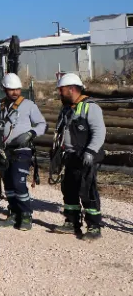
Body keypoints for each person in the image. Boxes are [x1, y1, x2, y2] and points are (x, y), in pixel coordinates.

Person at [50, 73, 106, 240]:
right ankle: (72, 222)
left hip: (85, 157)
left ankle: (94, 226)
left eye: (61, 90)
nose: (59, 93)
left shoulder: (91, 107)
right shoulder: (67, 108)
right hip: (70, 156)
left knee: (87, 191)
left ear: (71, 89)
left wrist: (91, 151)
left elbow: (99, 132)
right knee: (69, 189)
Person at [0, 73, 46, 231]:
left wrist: (31, 133)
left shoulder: (28, 105)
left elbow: (42, 124)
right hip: (4, 151)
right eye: (11, 89)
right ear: (4, 89)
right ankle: (13, 213)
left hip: (22, 149)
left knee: (18, 181)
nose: (15, 92)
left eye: (17, 89)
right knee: (8, 183)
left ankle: (26, 215)